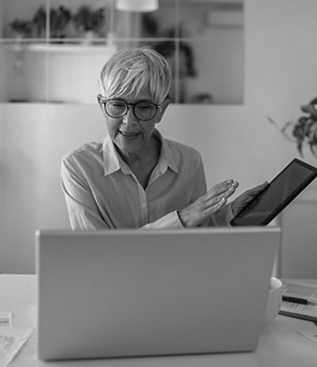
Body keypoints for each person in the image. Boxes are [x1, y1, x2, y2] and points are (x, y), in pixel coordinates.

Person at [61, 47, 267, 230]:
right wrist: (181, 218)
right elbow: (96, 253)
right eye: (117, 105)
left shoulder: (190, 162)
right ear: (102, 106)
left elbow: (197, 237)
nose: (128, 121)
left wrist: (229, 214)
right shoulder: (78, 167)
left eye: (143, 107)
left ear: (161, 111)